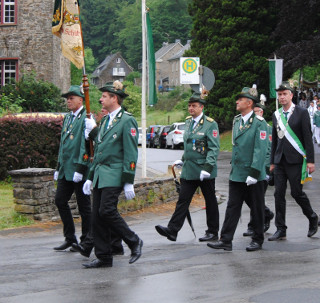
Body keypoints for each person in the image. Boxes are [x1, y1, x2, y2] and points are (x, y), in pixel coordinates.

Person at [81, 81, 143, 268]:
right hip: (101, 174)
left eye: (104, 96)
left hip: (115, 173)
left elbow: (131, 152)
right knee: (97, 216)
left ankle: (133, 241)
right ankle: (104, 256)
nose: (100, 99)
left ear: (114, 98)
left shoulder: (127, 120)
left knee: (106, 210)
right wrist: (90, 176)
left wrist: (128, 180)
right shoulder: (107, 120)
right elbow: (99, 151)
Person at [207, 86, 269, 252]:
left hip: (252, 173)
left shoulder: (259, 124)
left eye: (240, 100)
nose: (237, 101)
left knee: (256, 208)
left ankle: (257, 238)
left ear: (249, 103)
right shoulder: (237, 121)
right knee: (232, 207)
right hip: (237, 173)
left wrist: (255, 172)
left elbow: (260, 149)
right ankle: (226, 240)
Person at [155, 93, 220, 242]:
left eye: (194, 106)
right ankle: (172, 230)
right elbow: (190, 145)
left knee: (210, 201)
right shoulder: (189, 122)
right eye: (189, 105)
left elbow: (213, 148)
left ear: (201, 107)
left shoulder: (210, 124)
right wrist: (183, 159)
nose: (191, 108)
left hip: (204, 170)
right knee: (183, 200)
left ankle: (212, 231)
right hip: (190, 169)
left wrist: (208, 168)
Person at [268, 82, 318, 241]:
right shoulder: (276, 115)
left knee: (296, 193)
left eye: (285, 94)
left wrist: (311, 160)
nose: (282, 97)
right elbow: (275, 140)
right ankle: (280, 228)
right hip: (280, 161)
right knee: (278, 194)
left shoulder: (301, 113)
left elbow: (307, 137)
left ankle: (311, 216)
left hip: (296, 160)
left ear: (291, 95)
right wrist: (272, 161)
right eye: (280, 94)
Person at [53, 85, 91, 251]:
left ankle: (86, 240)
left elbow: (86, 146)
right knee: (60, 200)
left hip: (79, 170)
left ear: (80, 100)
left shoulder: (86, 117)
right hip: (66, 169)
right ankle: (70, 238)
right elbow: (63, 144)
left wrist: (81, 167)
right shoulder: (68, 118)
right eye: (67, 98)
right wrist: (58, 166)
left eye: (71, 98)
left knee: (84, 207)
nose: (68, 101)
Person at [242, 97, 274, 236]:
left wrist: (267, 169)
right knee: (248, 197)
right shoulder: (249, 126)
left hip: (263, 169)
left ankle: (254, 225)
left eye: (256, 112)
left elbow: (268, 151)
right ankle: (266, 213)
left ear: (261, 112)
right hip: (250, 169)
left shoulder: (267, 128)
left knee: (256, 198)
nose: (254, 114)